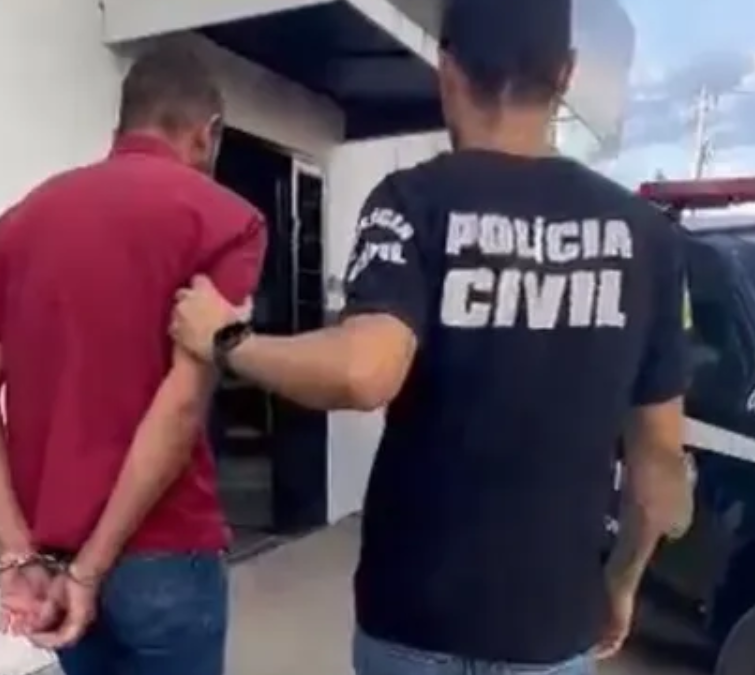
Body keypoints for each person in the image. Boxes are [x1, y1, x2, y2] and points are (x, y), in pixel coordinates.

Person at [168, 0, 693, 673]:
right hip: (553, 625)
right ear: (565, 74)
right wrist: (621, 584)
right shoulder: (649, 239)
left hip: (414, 620)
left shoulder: (413, 201)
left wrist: (226, 337)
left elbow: (363, 371)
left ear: (447, 70)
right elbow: (658, 466)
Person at [0, 44, 266, 675]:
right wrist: (92, 570)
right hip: (166, 555)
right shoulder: (227, 220)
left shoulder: (15, 226)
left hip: (52, 559)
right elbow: (180, 408)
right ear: (208, 133)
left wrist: (16, 554)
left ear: (122, 124)